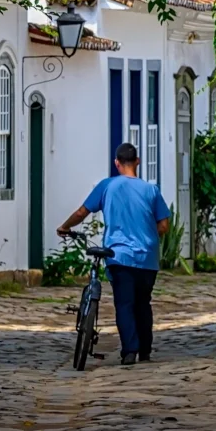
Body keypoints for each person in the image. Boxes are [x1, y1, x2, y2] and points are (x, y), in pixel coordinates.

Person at [58, 142, 170, 366]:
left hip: (119, 256)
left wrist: (65, 227)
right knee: (143, 303)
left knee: (124, 304)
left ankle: (129, 351)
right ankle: (145, 351)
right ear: (137, 162)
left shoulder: (107, 186)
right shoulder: (151, 190)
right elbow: (164, 225)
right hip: (147, 258)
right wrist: (148, 235)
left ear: (117, 163)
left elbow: (82, 212)